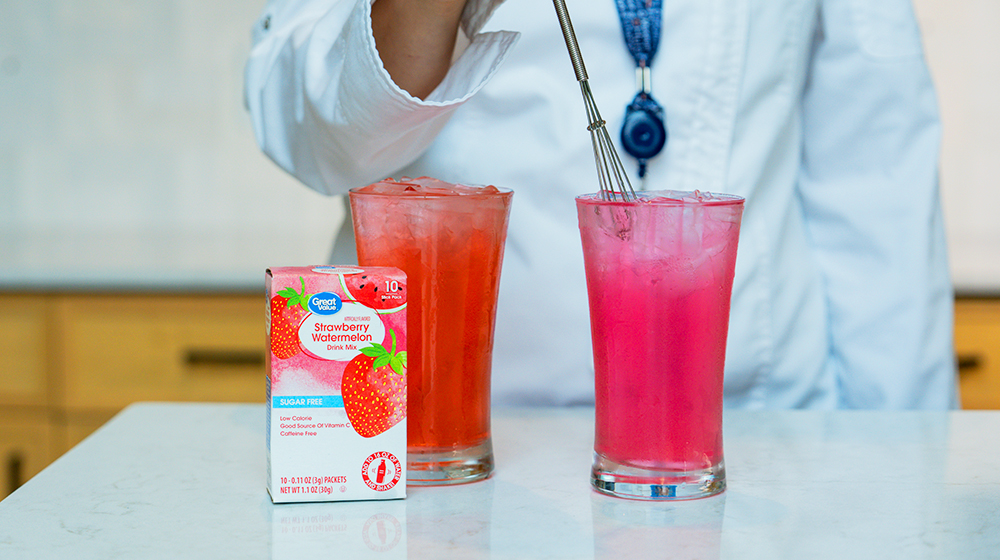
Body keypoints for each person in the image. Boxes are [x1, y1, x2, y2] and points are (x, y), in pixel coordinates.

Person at [244, 0, 958, 409]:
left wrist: (906, 469)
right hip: (452, 437)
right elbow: (309, 139)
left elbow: (877, 175)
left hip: (760, 433)